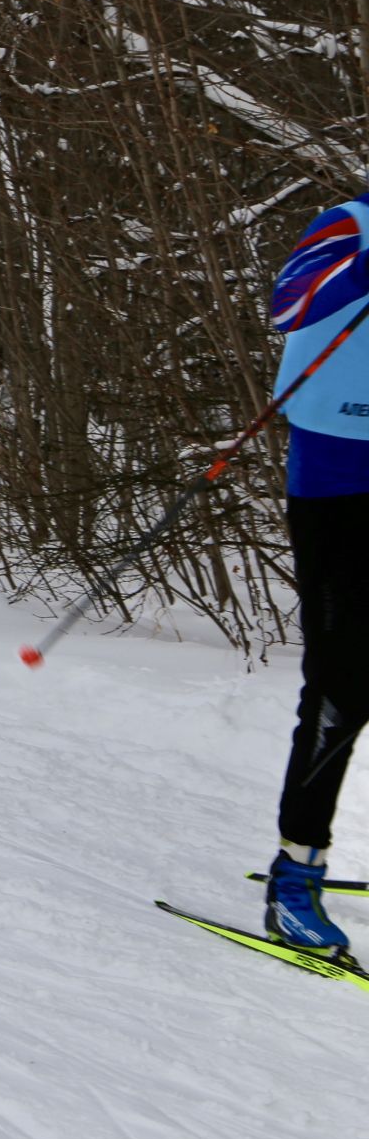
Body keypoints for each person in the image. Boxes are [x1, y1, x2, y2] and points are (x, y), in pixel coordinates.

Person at [258, 192, 369, 958]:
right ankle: (296, 876)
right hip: (337, 479)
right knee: (341, 680)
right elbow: (286, 302)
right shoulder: (351, 221)